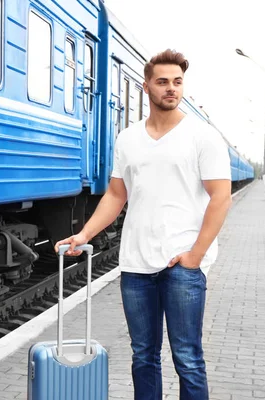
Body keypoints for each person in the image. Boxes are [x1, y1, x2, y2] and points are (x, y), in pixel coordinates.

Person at [54, 49, 232, 400]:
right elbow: (116, 196)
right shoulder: (128, 138)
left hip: (182, 264)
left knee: (188, 360)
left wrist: (196, 255)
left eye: (177, 82)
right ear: (147, 86)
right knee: (143, 357)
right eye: (163, 82)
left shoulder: (203, 136)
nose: (171, 88)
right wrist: (85, 233)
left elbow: (221, 197)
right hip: (136, 265)